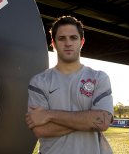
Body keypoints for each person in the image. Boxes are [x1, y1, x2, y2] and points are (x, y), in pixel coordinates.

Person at [26, 16, 114, 154]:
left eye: (73, 38)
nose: (68, 43)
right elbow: (40, 129)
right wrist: (87, 119)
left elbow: (103, 121)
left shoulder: (98, 78)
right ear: (53, 44)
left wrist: (49, 115)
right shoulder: (39, 81)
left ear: (82, 42)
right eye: (62, 38)